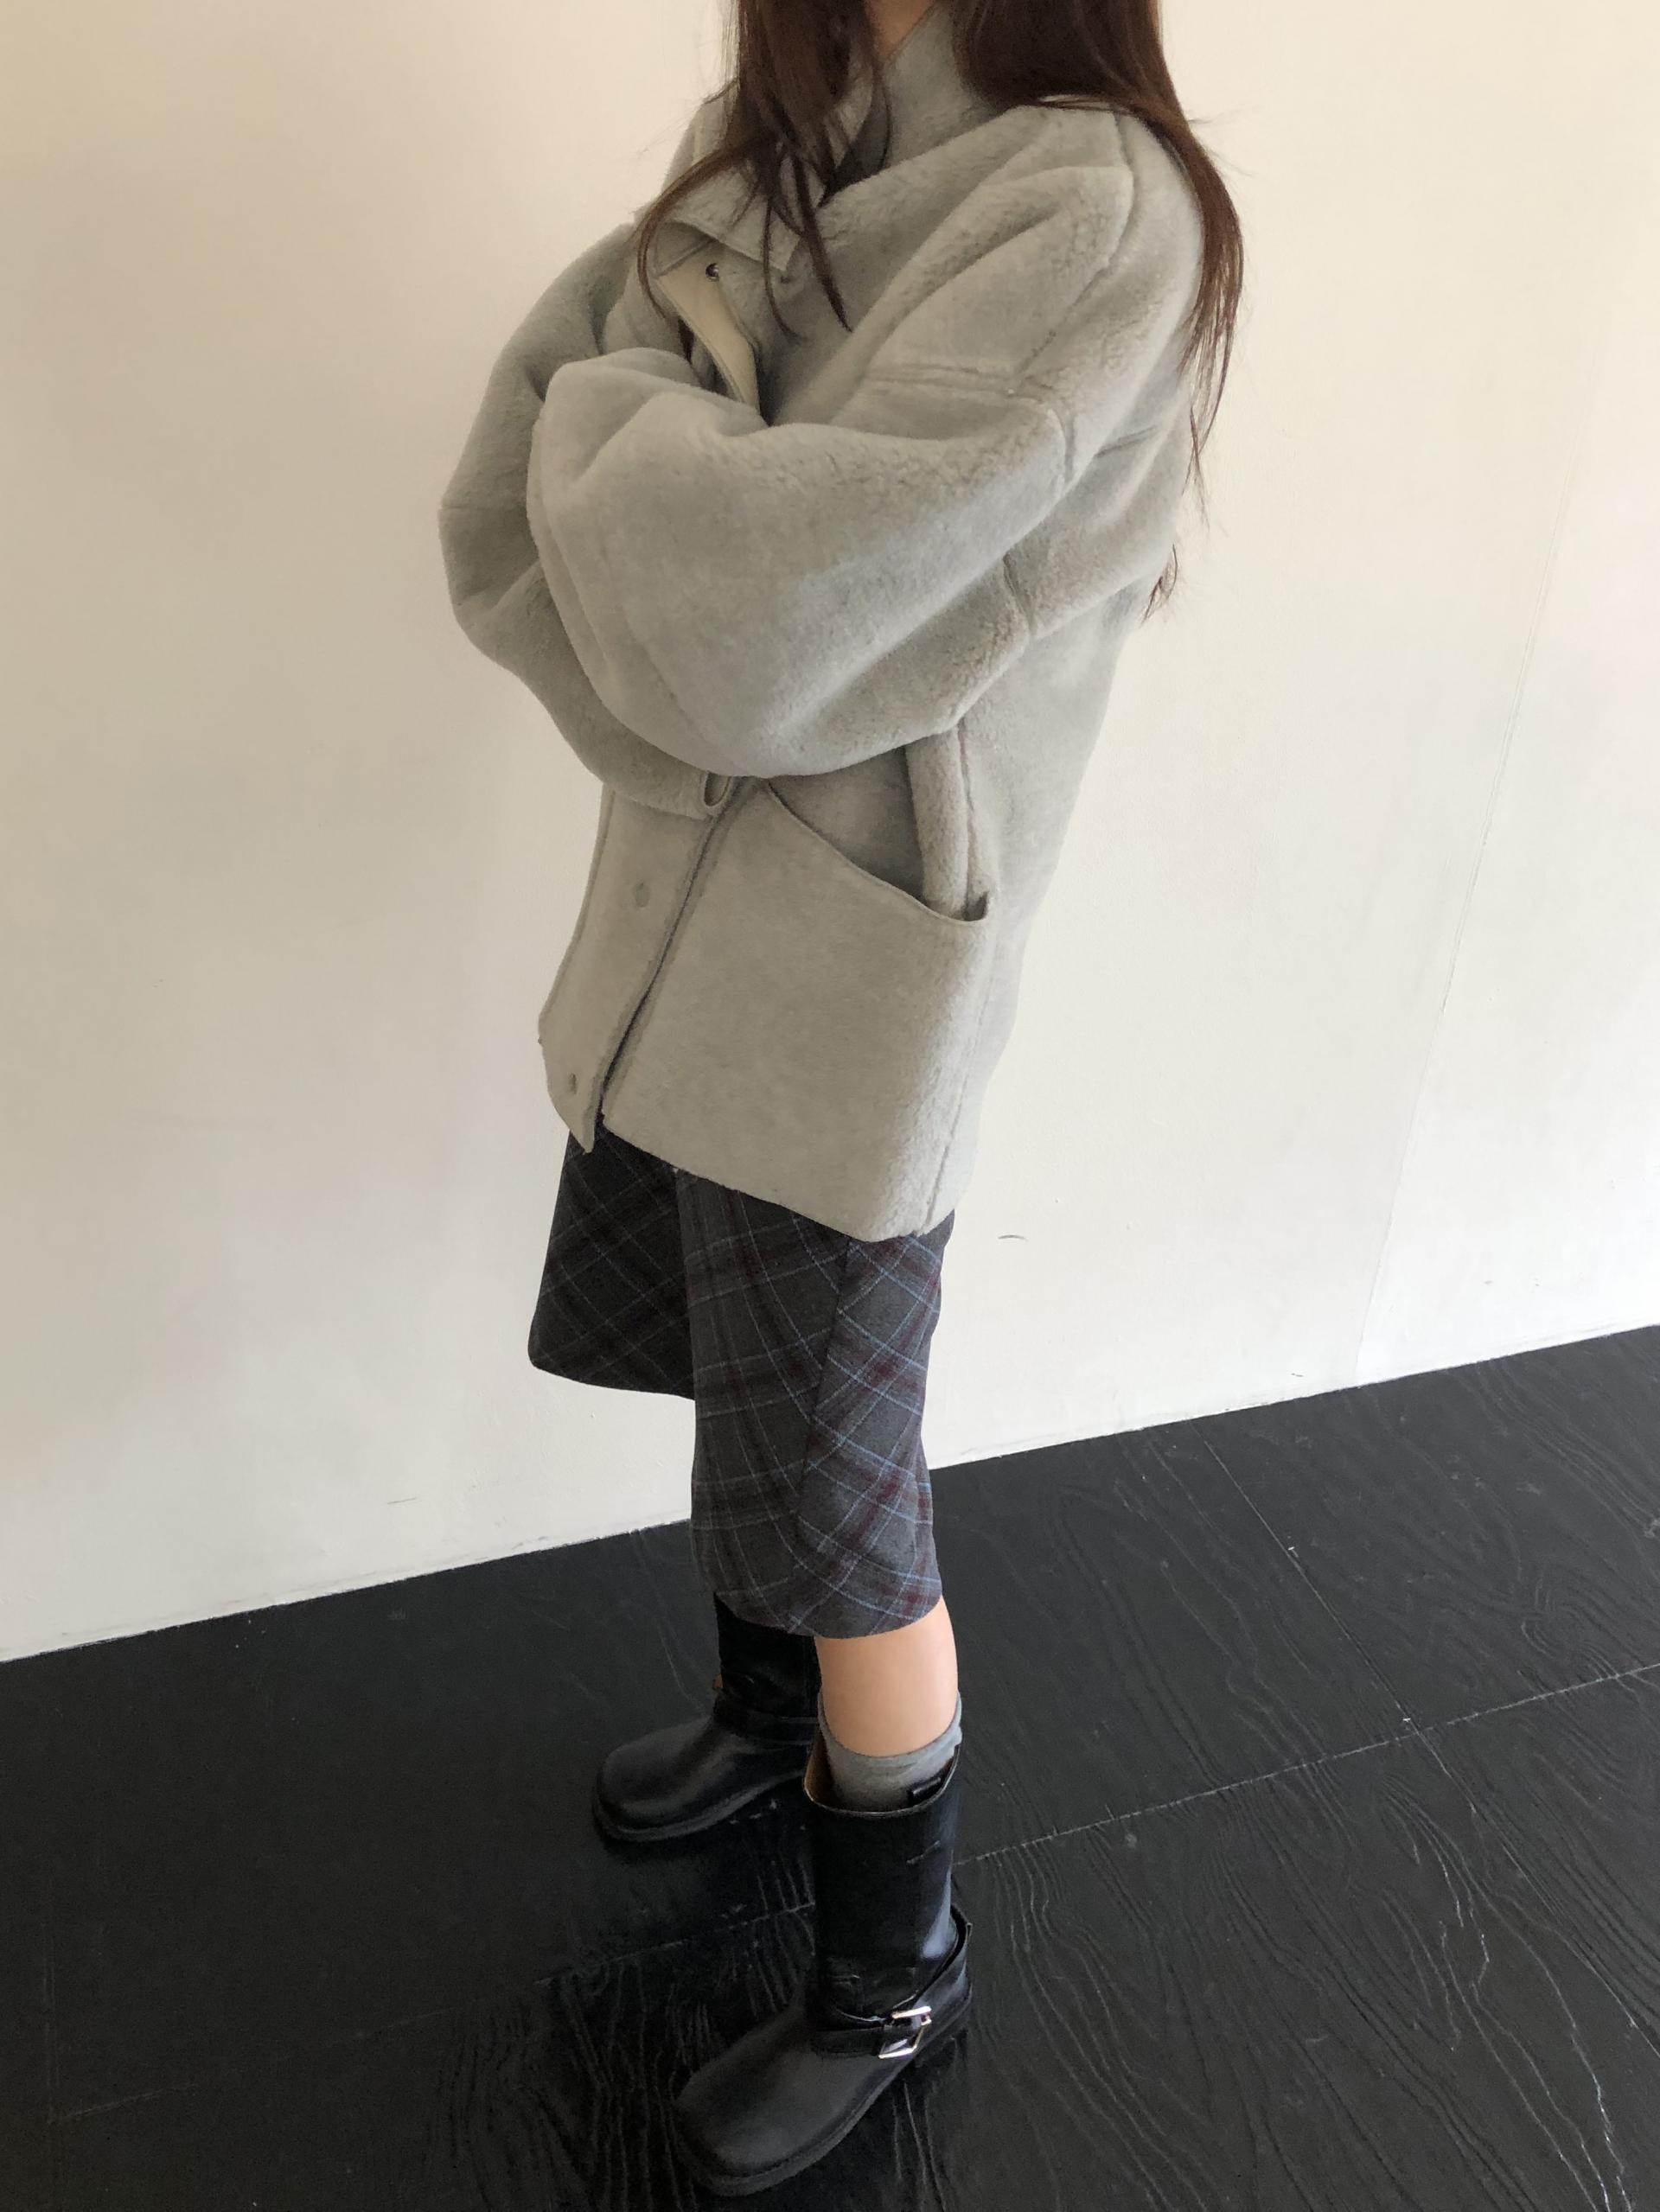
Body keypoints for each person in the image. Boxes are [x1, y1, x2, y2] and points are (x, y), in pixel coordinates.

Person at [437, 0, 1242, 2190]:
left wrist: (649, 444)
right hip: (691, 899)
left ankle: (899, 1965)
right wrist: (661, 461)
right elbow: (542, 442)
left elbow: (760, 603)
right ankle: (765, 1710)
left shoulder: (1094, 204)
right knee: (736, 1361)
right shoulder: (789, 120)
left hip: (854, 959)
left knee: (841, 1494)